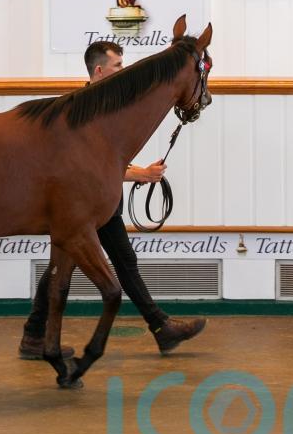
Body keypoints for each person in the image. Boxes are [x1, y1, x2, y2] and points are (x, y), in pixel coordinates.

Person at [18, 40, 207, 360]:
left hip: (100, 206)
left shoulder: (107, 109)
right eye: (119, 65)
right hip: (85, 207)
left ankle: (35, 336)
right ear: (100, 70)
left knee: (99, 264)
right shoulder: (77, 111)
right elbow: (86, 170)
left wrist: (138, 171)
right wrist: (139, 175)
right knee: (73, 267)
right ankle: (159, 327)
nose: (125, 70)